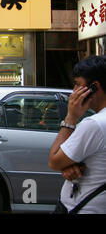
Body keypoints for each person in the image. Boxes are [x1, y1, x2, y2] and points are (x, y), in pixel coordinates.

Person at [49, 55, 106, 214]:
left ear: (94, 87)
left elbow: (54, 160)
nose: (74, 91)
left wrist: (71, 117)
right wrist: (70, 164)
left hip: (82, 207)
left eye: (77, 84)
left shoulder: (94, 124)